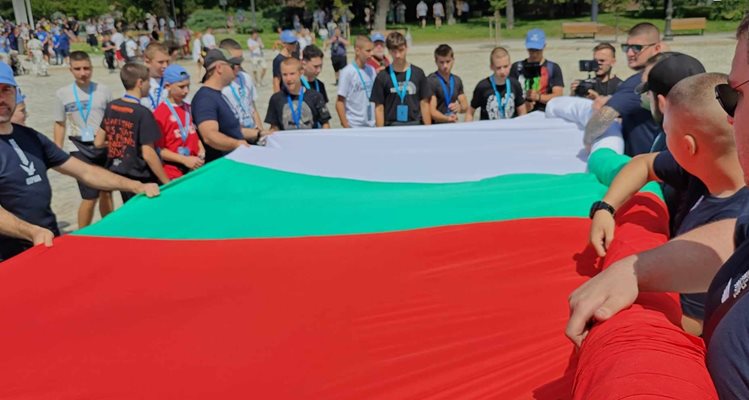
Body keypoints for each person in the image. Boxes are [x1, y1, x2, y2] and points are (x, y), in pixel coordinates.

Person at [590, 71, 743, 336]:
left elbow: (699, 323)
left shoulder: (733, 224)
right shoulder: (707, 167)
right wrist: (606, 208)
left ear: (688, 146)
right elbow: (643, 163)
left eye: (666, 131)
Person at [0, 62, 159, 261]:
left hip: (45, 246)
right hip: (9, 258)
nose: (2, 98)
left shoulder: (30, 137)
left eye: (6, 90)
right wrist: (31, 232)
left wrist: (135, 186)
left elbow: (85, 172)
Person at [52, 51, 114, 228]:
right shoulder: (62, 94)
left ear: (92, 68)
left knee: (107, 192)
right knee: (89, 195)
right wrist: (57, 149)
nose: (83, 73)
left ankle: (110, 228)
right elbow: (59, 123)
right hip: (78, 147)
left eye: (86, 68)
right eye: (77, 69)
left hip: (103, 145)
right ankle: (83, 233)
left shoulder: (104, 90)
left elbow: (111, 120)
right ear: (70, 69)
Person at [583, 23, 664, 156]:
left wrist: (587, 141)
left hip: (642, 164)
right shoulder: (666, 71)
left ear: (657, 48)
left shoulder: (638, 83)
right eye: (627, 47)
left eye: (637, 48)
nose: (630, 53)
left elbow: (602, 118)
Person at [94, 62, 171, 203]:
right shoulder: (143, 113)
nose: (150, 85)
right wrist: (166, 181)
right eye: (149, 81)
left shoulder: (112, 106)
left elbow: (98, 142)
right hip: (141, 176)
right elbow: (149, 154)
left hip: (121, 173)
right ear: (140, 83)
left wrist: (122, 143)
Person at [192, 49, 261, 163]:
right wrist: (237, 144)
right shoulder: (205, 99)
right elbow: (209, 136)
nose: (236, 69)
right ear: (219, 68)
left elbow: (231, 130)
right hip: (221, 165)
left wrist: (258, 133)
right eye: (232, 66)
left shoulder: (219, 95)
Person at [153, 64, 204, 180]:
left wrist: (201, 148)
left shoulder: (189, 107)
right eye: (181, 87)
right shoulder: (160, 113)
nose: (186, 91)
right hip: (174, 173)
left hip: (194, 167)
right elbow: (159, 150)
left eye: (188, 86)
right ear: (168, 86)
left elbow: (193, 132)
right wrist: (184, 160)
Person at [371, 32, 432, 126]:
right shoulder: (382, 76)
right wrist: (381, 134)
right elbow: (379, 108)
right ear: (389, 51)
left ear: (406, 48)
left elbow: (424, 103)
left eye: (401, 50)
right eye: (394, 51)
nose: (397, 55)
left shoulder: (418, 73)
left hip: (414, 124)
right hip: (391, 126)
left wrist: (428, 130)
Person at [265, 57, 331, 131]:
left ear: (301, 72)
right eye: (285, 74)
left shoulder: (315, 96)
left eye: (292, 74)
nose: (288, 78)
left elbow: (325, 124)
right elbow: (274, 127)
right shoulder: (276, 99)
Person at [509, 29, 563, 113]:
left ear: (544, 46)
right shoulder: (516, 67)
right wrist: (522, 105)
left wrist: (538, 97)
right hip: (522, 115)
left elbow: (558, 96)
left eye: (537, 50)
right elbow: (509, 94)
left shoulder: (553, 68)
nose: (534, 54)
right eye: (531, 50)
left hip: (545, 113)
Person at [466, 47, 526, 121]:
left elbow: (522, 111)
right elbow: (470, 112)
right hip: (489, 130)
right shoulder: (482, 86)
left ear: (510, 65)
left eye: (505, 66)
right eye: (498, 68)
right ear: (491, 67)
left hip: (510, 130)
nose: (502, 71)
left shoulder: (515, 84)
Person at [219, 38, 265, 134]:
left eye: (240, 61)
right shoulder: (220, 86)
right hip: (236, 135)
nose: (238, 66)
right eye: (235, 62)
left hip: (253, 132)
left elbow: (253, 109)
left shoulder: (245, 77)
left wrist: (261, 132)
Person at [336, 36, 376, 128]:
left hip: (371, 124)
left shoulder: (371, 70)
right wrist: (346, 125)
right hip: (355, 125)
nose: (372, 54)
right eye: (368, 51)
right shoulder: (347, 72)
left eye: (372, 50)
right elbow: (339, 102)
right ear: (357, 51)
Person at [428, 44, 468, 124]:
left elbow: (465, 105)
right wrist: (447, 118)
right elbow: (432, 112)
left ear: (453, 60)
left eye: (448, 61)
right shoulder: (431, 81)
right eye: (441, 62)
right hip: (437, 126)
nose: (445, 66)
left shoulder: (457, 80)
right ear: (436, 62)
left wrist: (459, 108)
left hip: (452, 124)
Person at [140, 42, 171, 111]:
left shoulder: (172, 81)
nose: (165, 66)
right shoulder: (139, 83)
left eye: (167, 61)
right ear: (147, 62)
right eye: (161, 62)